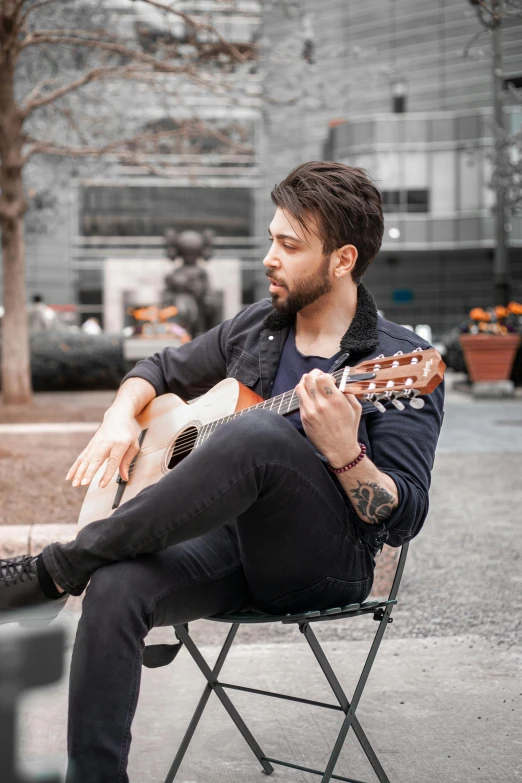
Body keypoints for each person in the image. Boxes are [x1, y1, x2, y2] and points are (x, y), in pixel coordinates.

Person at [0, 162, 444, 783]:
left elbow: (405, 516)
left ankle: (57, 569)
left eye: (289, 246)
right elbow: (159, 366)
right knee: (117, 588)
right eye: (270, 238)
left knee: (258, 432)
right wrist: (121, 417)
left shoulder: (396, 363)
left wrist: (347, 453)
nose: (269, 258)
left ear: (342, 259)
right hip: (228, 551)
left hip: (322, 562)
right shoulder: (258, 329)